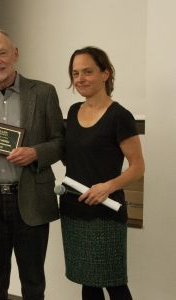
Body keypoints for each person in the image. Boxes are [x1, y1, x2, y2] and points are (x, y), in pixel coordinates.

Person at [0, 29, 64, 300]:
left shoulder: (43, 92)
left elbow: (60, 142)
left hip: (31, 198)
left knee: (32, 281)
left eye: (2, 52)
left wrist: (35, 152)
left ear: (15, 54)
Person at [60, 46, 145, 300]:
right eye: (75, 73)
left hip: (106, 213)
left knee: (114, 283)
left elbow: (138, 166)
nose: (80, 79)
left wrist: (107, 186)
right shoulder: (73, 112)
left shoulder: (120, 116)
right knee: (88, 282)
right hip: (73, 209)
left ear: (105, 74)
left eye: (87, 71)